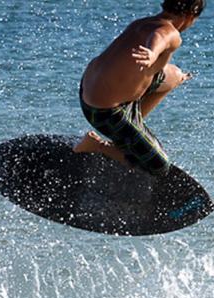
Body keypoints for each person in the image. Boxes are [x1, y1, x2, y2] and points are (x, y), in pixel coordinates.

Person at [74, 0, 206, 176]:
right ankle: (96, 146)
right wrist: (152, 52)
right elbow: (160, 37)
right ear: (191, 15)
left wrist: (163, 65)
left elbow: (156, 36)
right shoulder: (171, 33)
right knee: (160, 166)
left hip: (88, 90)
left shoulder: (141, 23)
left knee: (174, 75)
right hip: (103, 113)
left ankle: (131, 128)